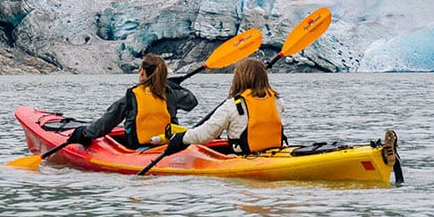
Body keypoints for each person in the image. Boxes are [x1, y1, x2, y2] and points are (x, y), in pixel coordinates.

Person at [69, 53, 198, 149]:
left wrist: (84, 133)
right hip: (168, 146)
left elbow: (106, 123)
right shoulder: (171, 95)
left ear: (142, 72)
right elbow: (192, 102)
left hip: (139, 149)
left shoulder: (131, 97)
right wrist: (173, 85)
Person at [163, 57, 284, 155]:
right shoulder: (277, 101)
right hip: (273, 151)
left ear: (238, 79)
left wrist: (182, 138)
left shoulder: (231, 106)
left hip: (244, 156)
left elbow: (206, 134)